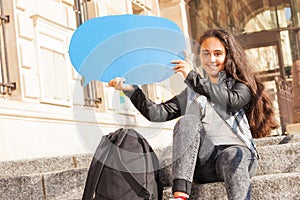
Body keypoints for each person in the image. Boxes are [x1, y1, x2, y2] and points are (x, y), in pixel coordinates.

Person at [108, 29, 279, 200]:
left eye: (217, 54)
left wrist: (192, 77)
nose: (211, 59)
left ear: (228, 56)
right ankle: (180, 195)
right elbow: (157, 113)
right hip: (205, 162)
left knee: (232, 154)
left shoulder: (240, 86)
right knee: (188, 121)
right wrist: (131, 90)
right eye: (206, 54)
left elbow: (231, 101)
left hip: (238, 158)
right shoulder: (192, 92)